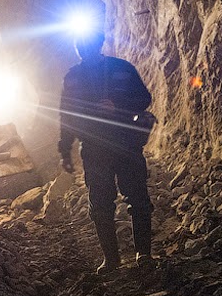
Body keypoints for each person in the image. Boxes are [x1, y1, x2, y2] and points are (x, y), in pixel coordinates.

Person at [57, 28, 155, 274]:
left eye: (87, 44)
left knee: (138, 198)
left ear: (98, 44)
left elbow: (144, 99)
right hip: (95, 148)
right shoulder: (73, 77)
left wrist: (117, 106)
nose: (83, 49)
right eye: (80, 45)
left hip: (125, 143)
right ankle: (111, 260)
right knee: (100, 204)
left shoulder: (122, 68)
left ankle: (143, 254)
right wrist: (65, 149)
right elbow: (67, 116)